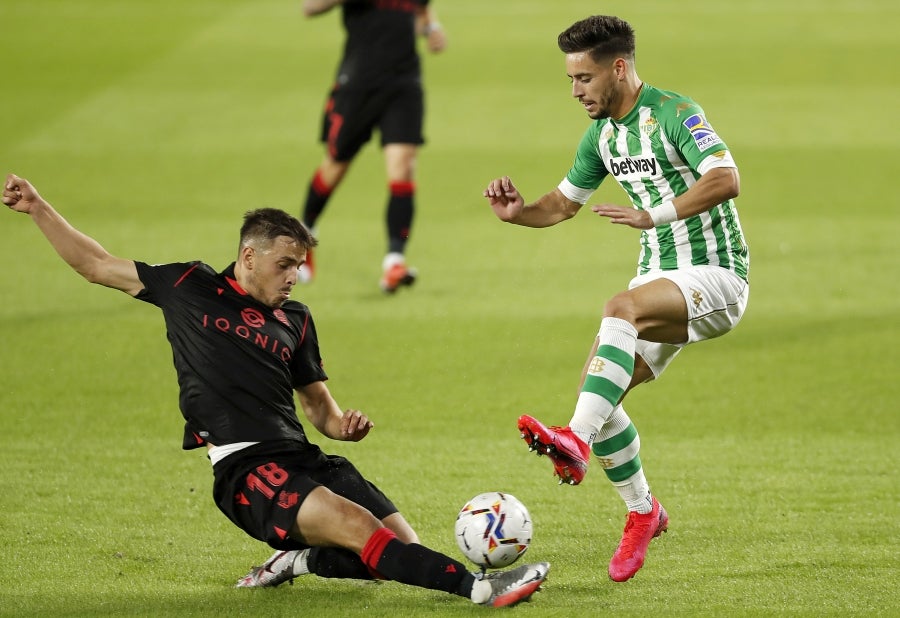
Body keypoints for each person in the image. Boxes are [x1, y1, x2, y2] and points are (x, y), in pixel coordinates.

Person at [2, 173, 549, 607]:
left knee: (397, 553)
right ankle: (482, 588)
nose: (294, 275)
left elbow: (319, 410)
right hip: (247, 468)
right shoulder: (190, 287)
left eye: (300, 265)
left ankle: (296, 562)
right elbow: (96, 265)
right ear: (248, 257)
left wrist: (345, 428)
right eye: (285, 264)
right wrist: (37, 207)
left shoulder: (296, 319)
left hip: (304, 456)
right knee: (359, 528)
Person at [483, 15, 749, 583]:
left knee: (617, 309)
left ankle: (572, 440)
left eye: (584, 78)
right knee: (599, 396)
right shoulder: (602, 135)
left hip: (717, 275)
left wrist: (651, 214)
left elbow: (726, 179)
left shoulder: (674, 113)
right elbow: (560, 205)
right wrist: (518, 213)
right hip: (660, 282)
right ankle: (643, 511)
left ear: (619, 67)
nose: (576, 91)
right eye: (571, 80)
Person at [298, 0, 447, 293]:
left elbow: (421, 9)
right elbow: (309, 8)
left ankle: (394, 261)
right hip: (358, 84)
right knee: (336, 166)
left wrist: (432, 28)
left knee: (403, 167)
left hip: (404, 84)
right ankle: (304, 236)